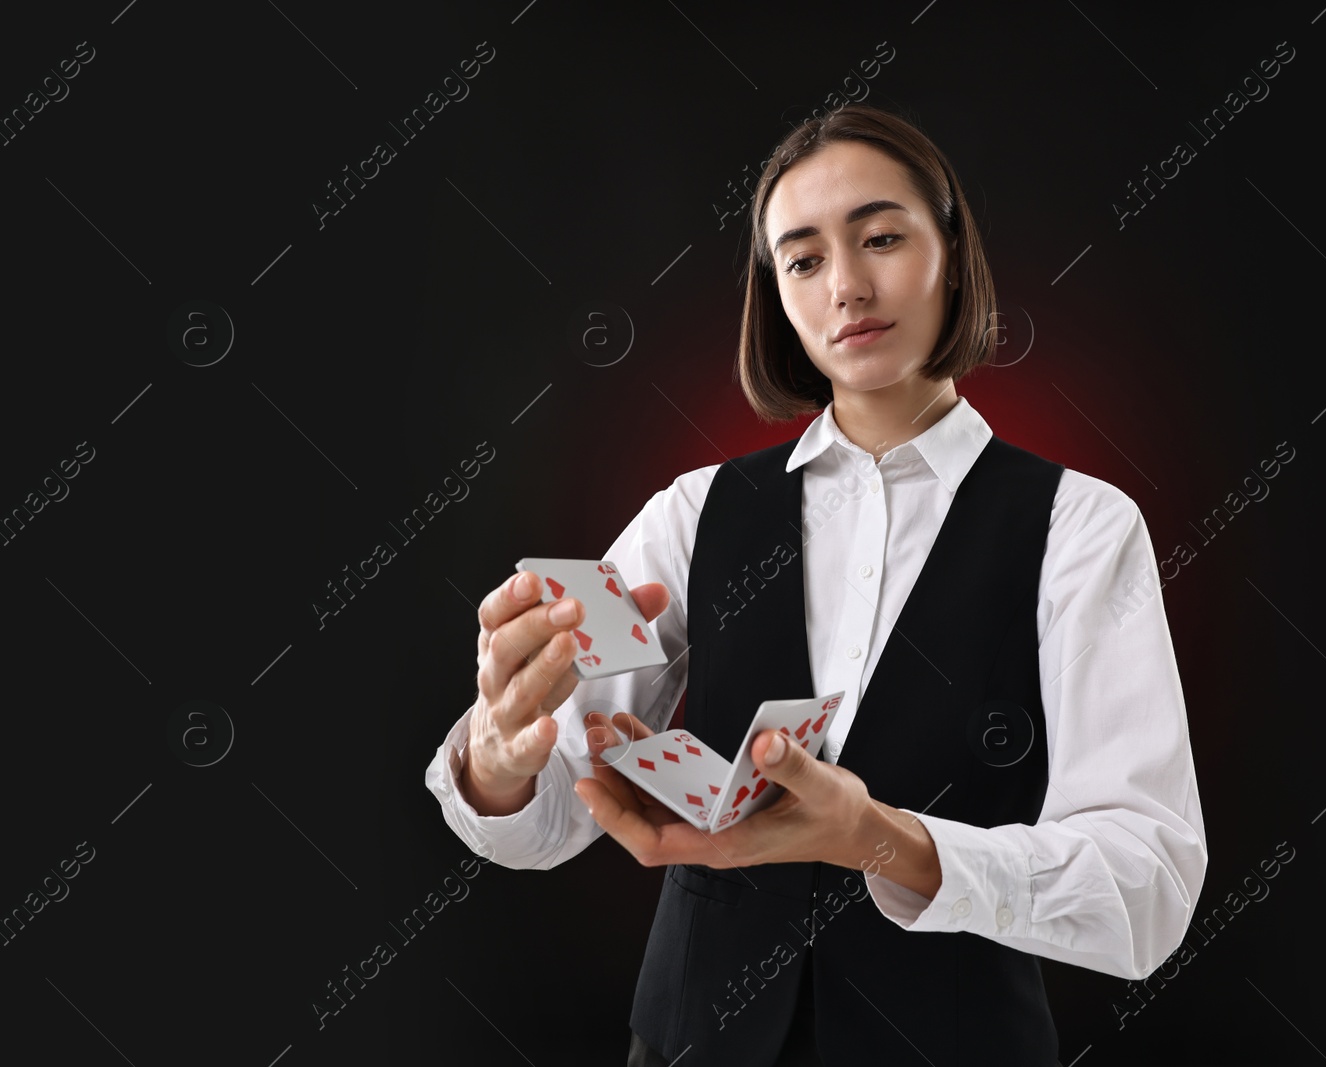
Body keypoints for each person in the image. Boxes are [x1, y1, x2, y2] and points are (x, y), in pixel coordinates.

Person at [425, 103, 1206, 1067]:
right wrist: (501, 754)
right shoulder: (690, 512)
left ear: (954, 253)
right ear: (778, 295)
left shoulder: (1083, 527)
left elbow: (1150, 885)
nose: (847, 285)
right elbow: (543, 819)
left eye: (881, 237)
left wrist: (879, 837)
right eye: (801, 259)